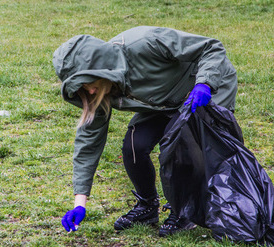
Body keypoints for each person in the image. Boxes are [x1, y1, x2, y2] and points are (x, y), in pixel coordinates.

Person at [52, 26, 237, 236]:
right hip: (163, 102)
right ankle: (147, 206)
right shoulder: (101, 88)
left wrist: (205, 83)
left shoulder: (145, 43)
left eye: (89, 82)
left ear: (99, 66)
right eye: (83, 88)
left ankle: (184, 209)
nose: (91, 91)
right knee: (134, 145)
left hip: (206, 88)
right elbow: (88, 143)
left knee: (181, 141)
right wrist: (80, 203)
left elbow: (211, 47)